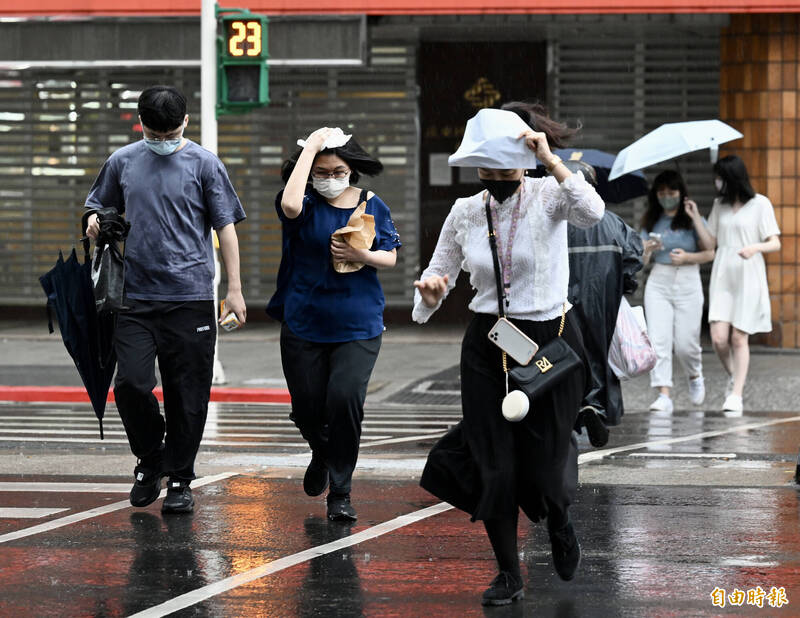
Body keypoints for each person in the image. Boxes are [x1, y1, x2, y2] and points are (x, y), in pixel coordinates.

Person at [414, 103, 603, 606]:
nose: (496, 178)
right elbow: (438, 275)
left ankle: (559, 520)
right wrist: (431, 293)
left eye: (504, 168)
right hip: (488, 344)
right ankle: (507, 573)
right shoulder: (465, 211)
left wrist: (550, 159)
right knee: (492, 463)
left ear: (524, 160)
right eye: (487, 170)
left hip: (550, 342)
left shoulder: (549, 195)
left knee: (544, 464)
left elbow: (592, 213)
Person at [84, 85, 246, 514]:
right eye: (155, 135)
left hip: (190, 296)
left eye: (169, 133)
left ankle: (180, 479)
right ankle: (151, 456)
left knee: (187, 393)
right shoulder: (122, 162)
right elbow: (95, 208)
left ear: (186, 123)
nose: (163, 141)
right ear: (142, 125)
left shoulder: (205, 164)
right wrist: (96, 223)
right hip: (134, 295)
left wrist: (234, 289)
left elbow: (225, 227)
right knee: (131, 384)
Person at [267, 127, 401, 521]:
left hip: (358, 321)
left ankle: (341, 491)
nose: (329, 178)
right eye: (321, 171)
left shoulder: (372, 203)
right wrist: (309, 146)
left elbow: (390, 256)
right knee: (307, 408)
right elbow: (290, 205)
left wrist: (363, 253)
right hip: (303, 319)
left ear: (351, 170)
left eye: (337, 170)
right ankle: (322, 452)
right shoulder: (302, 202)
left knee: (344, 400)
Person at [565, 161, 644, 445]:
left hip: (562, 305)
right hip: (603, 304)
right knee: (600, 357)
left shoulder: (552, 222)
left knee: (564, 359)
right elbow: (633, 259)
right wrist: (624, 285)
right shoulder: (612, 222)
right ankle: (596, 406)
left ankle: (570, 411)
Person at [695, 155, 781, 414]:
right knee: (719, 338)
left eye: (720, 177)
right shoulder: (718, 206)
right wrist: (695, 218)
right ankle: (735, 375)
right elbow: (710, 244)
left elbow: (775, 242)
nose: (716, 182)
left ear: (732, 178)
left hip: (748, 275)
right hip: (723, 275)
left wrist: (755, 247)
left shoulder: (760, 204)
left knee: (739, 337)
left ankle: (736, 394)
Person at [639, 170, 714, 413]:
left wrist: (694, 219)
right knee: (658, 340)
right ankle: (663, 394)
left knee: (685, 342)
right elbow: (641, 260)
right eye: (661, 193)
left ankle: (694, 375)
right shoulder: (651, 219)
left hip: (688, 280)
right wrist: (648, 249)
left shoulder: (691, 218)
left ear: (681, 193)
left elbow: (711, 250)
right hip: (659, 280)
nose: (666, 197)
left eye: (671, 192)